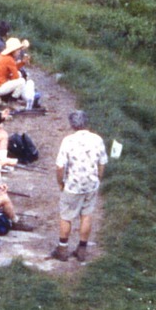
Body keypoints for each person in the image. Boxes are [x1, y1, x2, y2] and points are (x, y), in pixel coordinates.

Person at [53, 109, 107, 262]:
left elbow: (60, 166)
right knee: (86, 215)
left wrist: (60, 183)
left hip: (73, 185)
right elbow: (102, 163)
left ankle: (62, 248)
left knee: (66, 216)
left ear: (72, 124)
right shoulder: (97, 139)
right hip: (91, 184)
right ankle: (82, 249)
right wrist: (98, 178)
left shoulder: (68, 141)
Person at [0, 38, 41, 111]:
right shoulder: (9, 59)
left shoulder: (4, 56)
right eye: (18, 50)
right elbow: (16, 77)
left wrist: (22, 62)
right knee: (21, 81)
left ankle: (5, 99)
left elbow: (13, 67)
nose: (19, 51)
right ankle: (12, 102)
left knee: (17, 77)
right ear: (13, 50)